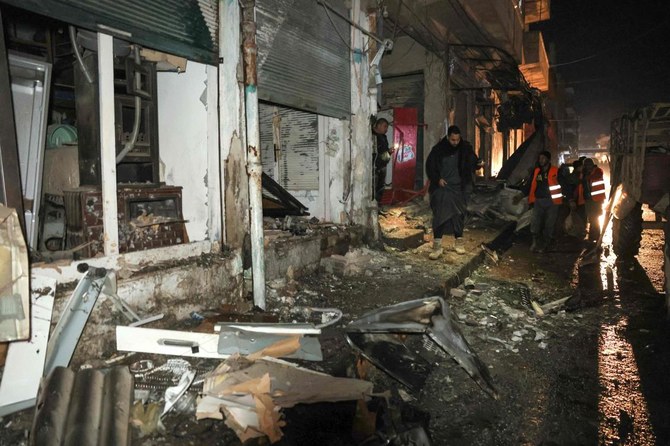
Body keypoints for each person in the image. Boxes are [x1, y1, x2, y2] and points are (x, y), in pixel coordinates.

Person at [425, 125, 479, 260]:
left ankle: (459, 242)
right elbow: (430, 167)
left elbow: (472, 161)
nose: (455, 142)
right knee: (440, 216)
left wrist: (477, 163)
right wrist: (437, 179)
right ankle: (437, 246)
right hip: (443, 188)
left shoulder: (465, 148)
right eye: (453, 140)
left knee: (458, 215)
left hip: (458, 188)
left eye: (457, 140)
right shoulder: (438, 150)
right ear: (448, 137)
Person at [518, 150, 563, 252]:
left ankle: (546, 244)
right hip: (538, 201)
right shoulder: (537, 171)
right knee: (535, 223)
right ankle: (535, 242)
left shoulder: (556, 171)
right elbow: (530, 184)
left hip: (552, 202)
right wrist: (521, 195)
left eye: (543, 158)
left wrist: (571, 199)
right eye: (540, 158)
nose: (541, 160)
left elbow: (564, 185)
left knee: (549, 224)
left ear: (548, 159)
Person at [576, 157, 606, 242]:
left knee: (594, 218)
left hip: (596, 199)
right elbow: (580, 182)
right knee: (592, 218)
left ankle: (595, 236)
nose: (588, 166)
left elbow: (595, 176)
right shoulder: (584, 173)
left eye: (589, 164)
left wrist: (585, 176)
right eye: (586, 165)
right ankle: (594, 236)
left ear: (592, 165)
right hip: (588, 199)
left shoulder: (598, 171)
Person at [372, 118, 392, 203]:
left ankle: (377, 208)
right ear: (379, 125)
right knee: (373, 188)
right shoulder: (372, 136)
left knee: (380, 188)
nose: (386, 129)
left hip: (382, 166)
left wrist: (389, 152)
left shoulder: (383, 137)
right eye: (385, 127)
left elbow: (384, 153)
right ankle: (373, 206)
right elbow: (375, 154)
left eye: (387, 127)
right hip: (375, 167)